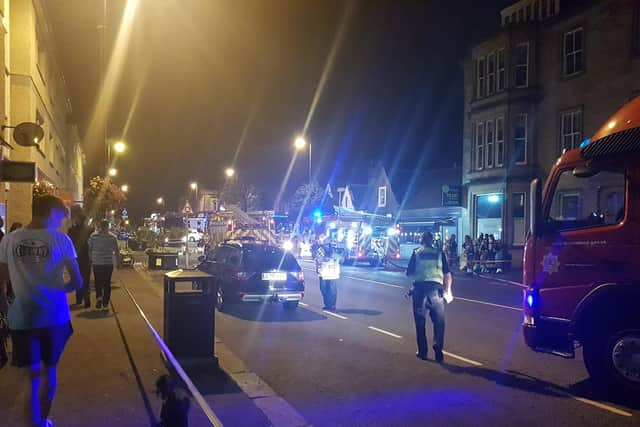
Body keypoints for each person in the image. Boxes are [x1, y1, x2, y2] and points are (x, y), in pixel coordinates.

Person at [0, 194, 83, 427]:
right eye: (60, 217)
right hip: (54, 317)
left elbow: (1, 281)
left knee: (32, 375)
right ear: (52, 213)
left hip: (22, 318)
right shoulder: (61, 240)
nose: (60, 222)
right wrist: (57, 290)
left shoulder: (9, 240)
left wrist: (7, 308)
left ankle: (32, 422)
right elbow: (77, 282)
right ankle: (42, 421)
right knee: (50, 372)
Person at [406, 231, 453, 363]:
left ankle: (422, 352)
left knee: (420, 322)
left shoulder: (416, 253)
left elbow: (409, 273)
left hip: (420, 291)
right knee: (439, 322)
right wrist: (447, 290)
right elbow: (448, 274)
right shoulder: (439, 253)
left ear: (422, 240)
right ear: (433, 240)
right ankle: (438, 348)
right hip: (436, 292)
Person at [88, 220, 119, 311]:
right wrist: (118, 263)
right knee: (107, 282)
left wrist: (91, 259)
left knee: (98, 281)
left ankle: (99, 298)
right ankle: (105, 302)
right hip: (108, 263)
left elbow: (90, 249)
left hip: (97, 263)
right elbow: (116, 251)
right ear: (108, 226)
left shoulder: (93, 236)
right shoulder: (112, 237)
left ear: (100, 226)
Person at [68, 211, 93, 307]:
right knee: (86, 279)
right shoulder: (90, 230)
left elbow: (69, 244)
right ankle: (87, 299)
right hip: (86, 256)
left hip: (75, 257)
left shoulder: (71, 230)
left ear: (78, 219)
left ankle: (79, 298)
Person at [315, 243, 340, 311]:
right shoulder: (320, 250)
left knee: (332, 290)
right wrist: (317, 268)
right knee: (324, 289)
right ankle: (327, 304)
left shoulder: (334, 250)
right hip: (323, 273)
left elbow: (340, 258)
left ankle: (332, 305)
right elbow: (317, 260)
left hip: (332, 273)